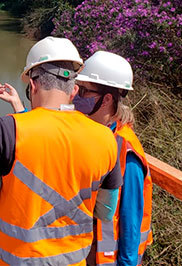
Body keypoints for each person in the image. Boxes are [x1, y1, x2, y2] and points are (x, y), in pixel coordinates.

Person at [0, 36, 123, 265]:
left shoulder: (9, 128)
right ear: (73, 91)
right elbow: (105, 212)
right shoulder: (106, 138)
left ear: (32, 85)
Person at [73, 51, 153, 266]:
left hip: (107, 259)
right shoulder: (94, 133)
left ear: (106, 99)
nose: (76, 96)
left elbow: (131, 222)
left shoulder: (125, 150)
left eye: (84, 91)